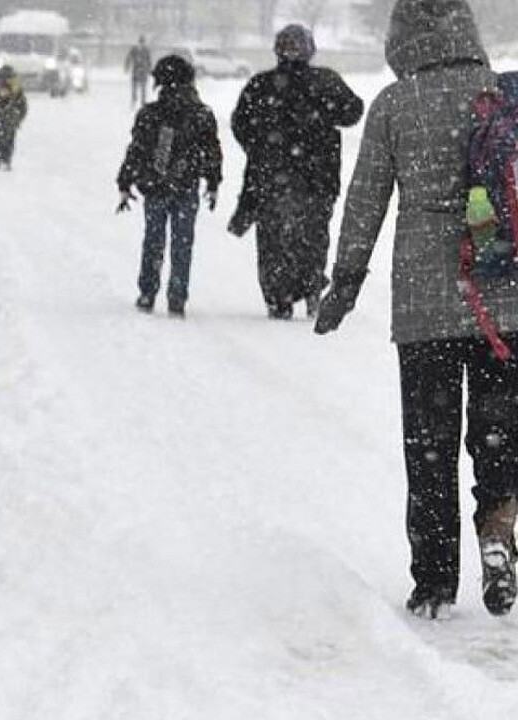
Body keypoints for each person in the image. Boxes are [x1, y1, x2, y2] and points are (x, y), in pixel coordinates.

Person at [314, 0, 518, 620]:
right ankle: (498, 532)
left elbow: (366, 200)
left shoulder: (396, 105)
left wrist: (345, 281)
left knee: (429, 445)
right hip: (501, 298)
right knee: (499, 434)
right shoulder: (500, 94)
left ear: (402, 37)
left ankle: (433, 583)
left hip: (426, 303)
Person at [232, 24, 364, 320]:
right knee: (312, 237)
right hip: (317, 177)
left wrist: (261, 148)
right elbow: (353, 111)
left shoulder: (261, 85)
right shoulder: (325, 81)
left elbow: (240, 124)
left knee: (273, 241)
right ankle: (310, 287)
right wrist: (324, 115)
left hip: (272, 178)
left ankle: (279, 297)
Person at [116, 55, 222, 318]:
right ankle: (177, 295)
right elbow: (212, 151)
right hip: (186, 186)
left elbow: (137, 150)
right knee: (182, 243)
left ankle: (147, 291)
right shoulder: (202, 114)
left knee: (153, 240)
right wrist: (213, 181)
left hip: (155, 186)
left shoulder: (150, 114)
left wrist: (125, 180)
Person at [0, 65, 28, 171]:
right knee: (8, 139)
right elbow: (23, 105)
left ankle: (0, 159)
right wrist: (20, 117)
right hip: (11, 118)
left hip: (2, 118)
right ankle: (5, 159)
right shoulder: (16, 89)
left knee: (2, 139)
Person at [124, 37, 152, 109]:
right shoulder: (134, 49)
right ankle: (134, 100)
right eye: (140, 42)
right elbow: (129, 58)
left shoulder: (146, 50)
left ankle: (142, 101)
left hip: (143, 71)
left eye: (142, 42)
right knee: (134, 87)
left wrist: (149, 69)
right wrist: (127, 66)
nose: (141, 44)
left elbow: (149, 60)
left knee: (143, 88)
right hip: (136, 70)